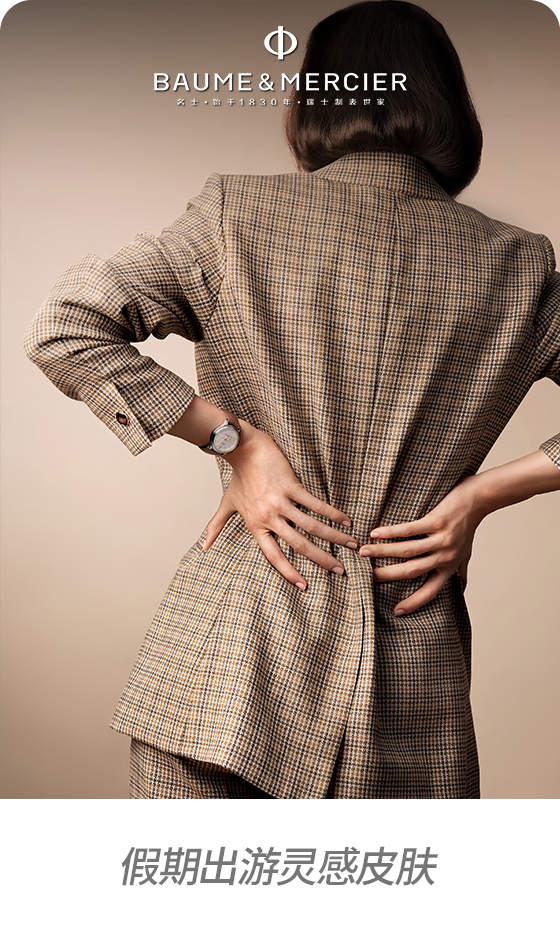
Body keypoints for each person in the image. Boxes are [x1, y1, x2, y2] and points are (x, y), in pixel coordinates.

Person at [24, 1, 560, 799]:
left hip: (228, 677)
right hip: (411, 692)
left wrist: (235, 443)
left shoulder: (235, 215)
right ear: (448, 102)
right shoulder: (517, 264)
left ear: (314, 98)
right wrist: (481, 495)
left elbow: (65, 325)